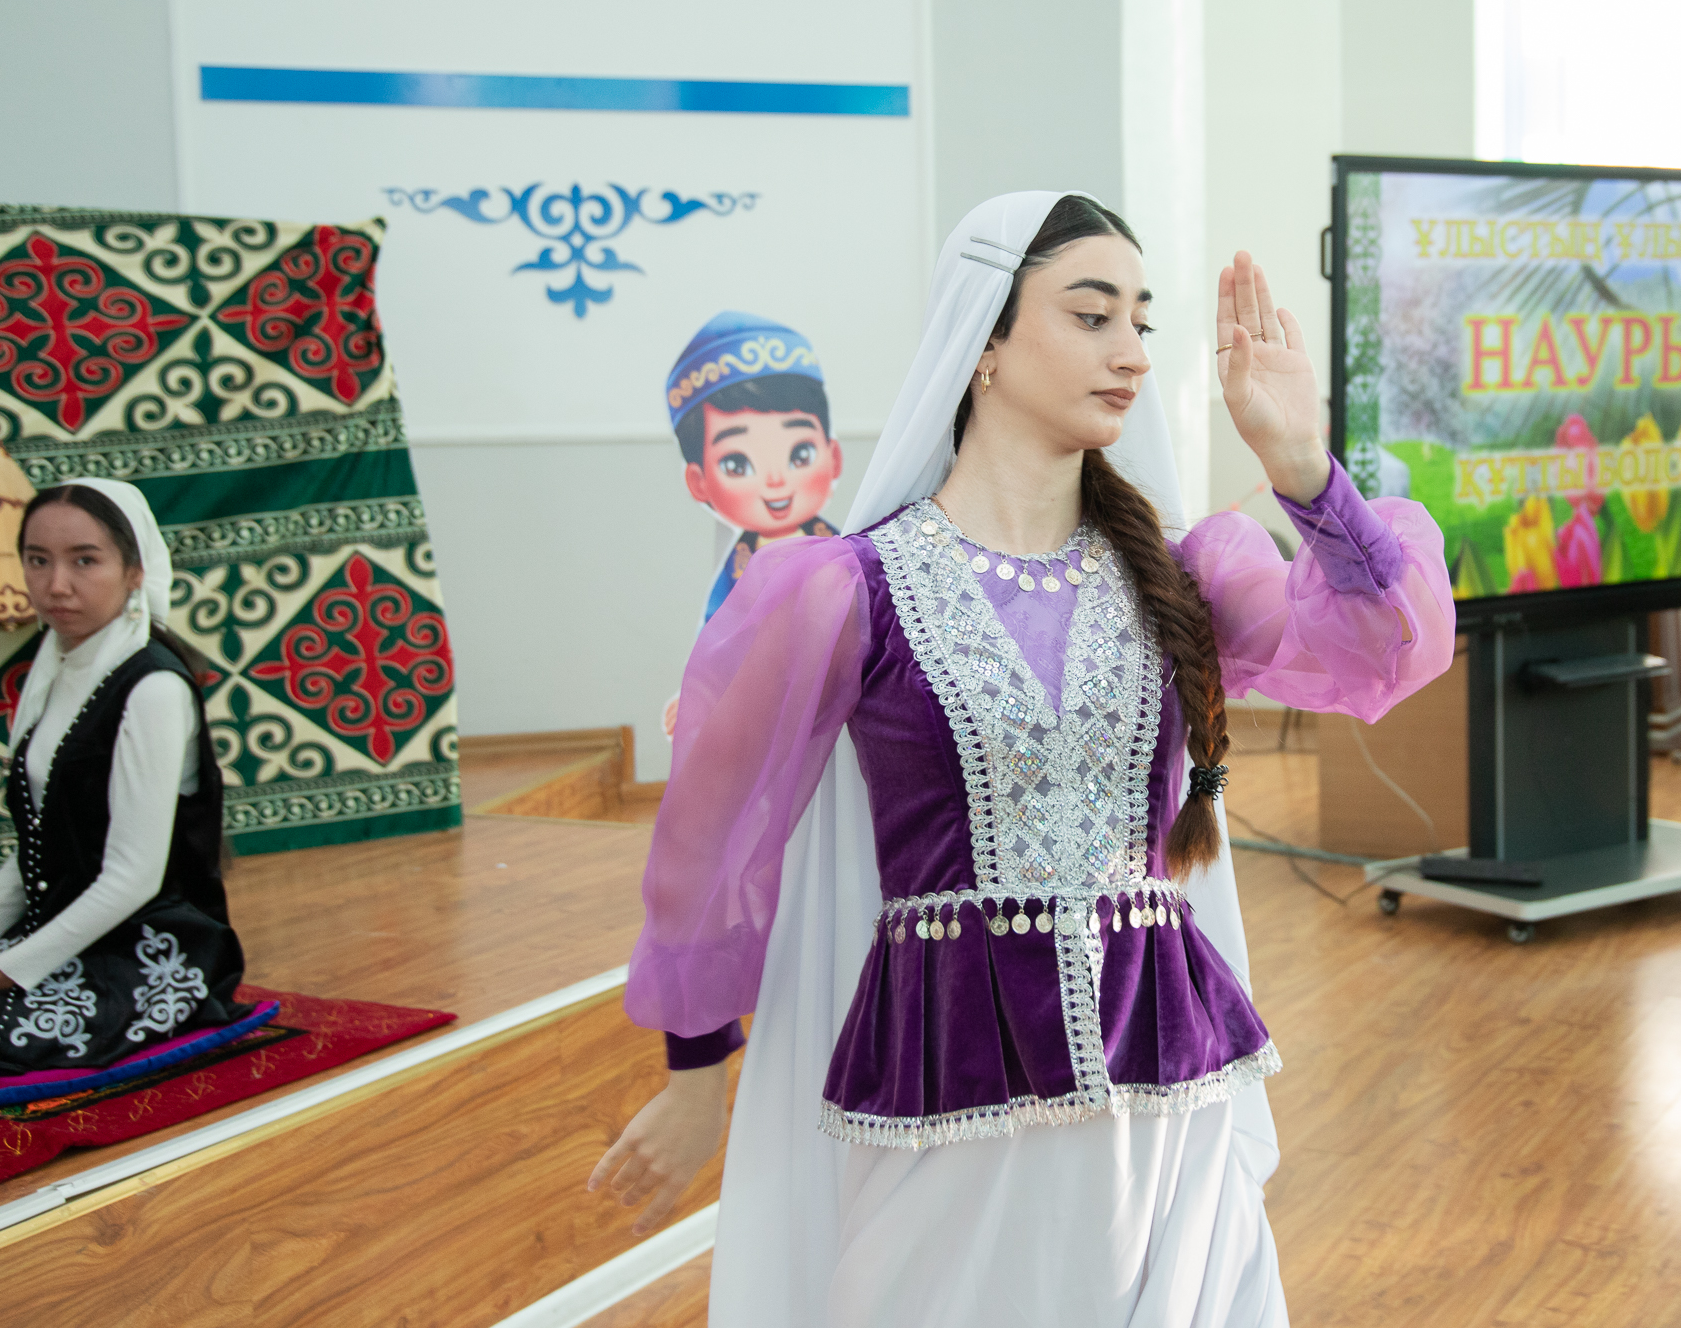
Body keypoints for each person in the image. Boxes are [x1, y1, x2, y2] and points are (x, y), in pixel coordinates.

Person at [590, 192, 1454, 1327]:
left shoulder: (1187, 576)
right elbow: (713, 835)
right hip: (949, 1097)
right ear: (984, 341)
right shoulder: (845, 590)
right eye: (1092, 315)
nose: (1130, 351)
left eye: (1141, 321)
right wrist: (697, 1072)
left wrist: (1301, 465)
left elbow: (1385, 645)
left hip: (1172, 1096)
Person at [0, 479, 248, 1100]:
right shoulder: (56, 666)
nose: (56, 585)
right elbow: (43, 842)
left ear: (135, 571)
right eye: (38, 560)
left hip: (145, 956)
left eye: (85, 561)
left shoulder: (153, 689)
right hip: (56, 930)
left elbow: (131, 880)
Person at [667, 311, 845, 623]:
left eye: (800, 454)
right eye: (737, 464)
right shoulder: (735, 576)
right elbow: (718, 638)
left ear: (834, 458)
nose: (776, 480)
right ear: (699, 482)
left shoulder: (845, 555)